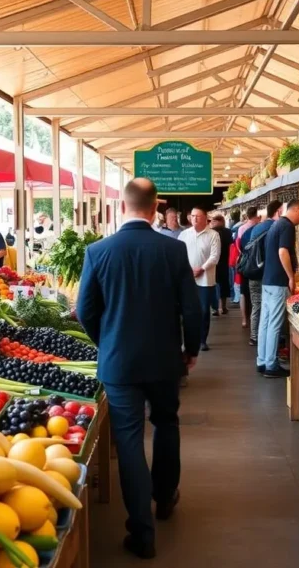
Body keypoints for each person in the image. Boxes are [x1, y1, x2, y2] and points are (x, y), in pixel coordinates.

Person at [75, 178, 200, 560]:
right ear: (155, 208)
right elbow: (192, 309)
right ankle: (164, 497)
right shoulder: (173, 250)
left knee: (128, 439)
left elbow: (84, 310)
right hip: (164, 359)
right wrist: (189, 350)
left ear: (122, 206)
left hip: (119, 362)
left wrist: (106, 341)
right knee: (166, 423)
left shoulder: (98, 251)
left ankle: (142, 532)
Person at [257, 200, 299, 378]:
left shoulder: (275, 225)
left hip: (267, 281)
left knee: (266, 322)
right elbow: (282, 252)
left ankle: (262, 360)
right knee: (275, 324)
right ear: (296, 209)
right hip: (278, 282)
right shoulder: (287, 226)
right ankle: (271, 365)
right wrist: (291, 277)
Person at [178, 208, 221, 351]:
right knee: (186, 310)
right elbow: (179, 255)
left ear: (205, 218)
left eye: (198, 216)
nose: (194, 218)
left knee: (203, 310)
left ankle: (202, 340)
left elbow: (215, 256)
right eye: (192, 216)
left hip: (205, 280)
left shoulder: (213, 235)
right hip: (187, 279)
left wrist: (202, 268)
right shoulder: (184, 235)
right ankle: (187, 340)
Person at [245, 201, 282, 347]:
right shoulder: (276, 227)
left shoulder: (256, 228)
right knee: (271, 310)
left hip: (253, 272)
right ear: (278, 211)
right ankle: (272, 342)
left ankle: (254, 336)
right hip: (269, 275)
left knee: (257, 306)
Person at [236, 206, 261, 330]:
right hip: (256, 267)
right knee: (255, 295)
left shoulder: (241, 229)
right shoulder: (259, 228)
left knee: (243, 292)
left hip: (244, 264)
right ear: (256, 216)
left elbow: (238, 247)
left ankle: (244, 319)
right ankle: (254, 321)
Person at [210, 214, 233, 316]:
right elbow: (231, 245)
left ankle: (215, 308)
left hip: (213, 262)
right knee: (224, 285)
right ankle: (223, 307)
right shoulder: (227, 232)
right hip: (224, 262)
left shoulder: (211, 232)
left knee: (213, 285)